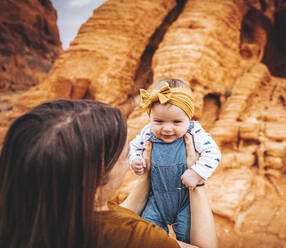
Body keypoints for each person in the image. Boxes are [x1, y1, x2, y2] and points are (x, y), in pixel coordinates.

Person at [0, 99, 217, 248]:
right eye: (125, 156)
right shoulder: (137, 238)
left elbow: (116, 214)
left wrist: (147, 175)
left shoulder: (39, 212)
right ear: (94, 177)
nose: (129, 157)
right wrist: (196, 182)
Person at [129, 78, 221, 242]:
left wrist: (196, 172)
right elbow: (134, 147)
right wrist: (135, 159)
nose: (167, 128)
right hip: (156, 200)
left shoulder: (195, 132)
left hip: (185, 202)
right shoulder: (148, 132)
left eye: (177, 122)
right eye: (158, 121)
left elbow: (213, 153)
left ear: (189, 117)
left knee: (188, 238)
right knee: (147, 235)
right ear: (150, 117)